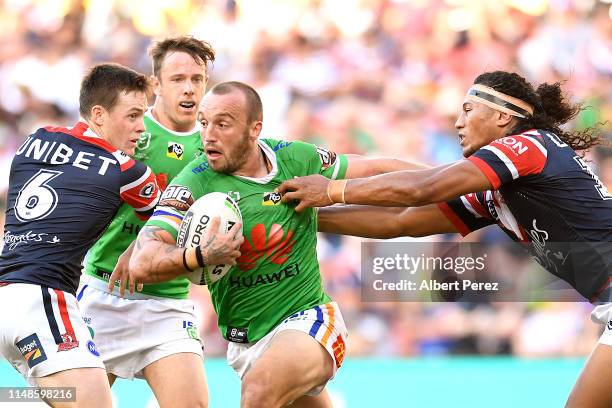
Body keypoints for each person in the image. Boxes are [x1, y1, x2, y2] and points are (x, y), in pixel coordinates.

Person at [278, 70, 612, 408]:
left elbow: (424, 188)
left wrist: (332, 190)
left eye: (468, 110)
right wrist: (305, 218)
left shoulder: (526, 146)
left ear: (501, 116)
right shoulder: (497, 194)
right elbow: (401, 220)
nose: (457, 122)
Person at [126, 81, 427, 408]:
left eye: (222, 124)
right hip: (246, 343)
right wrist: (200, 255)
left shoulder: (295, 159)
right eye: (203, 122)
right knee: (263, 387)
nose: (208, 134)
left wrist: (459, 184)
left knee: (258, 393)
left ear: (254, 129)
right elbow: (142, 262)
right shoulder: (194, 181)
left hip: (310, 320)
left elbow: (379, 168)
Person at [0, 63, 160, 407]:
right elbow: (165, 223)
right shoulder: (128, 169)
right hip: (44, 299)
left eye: (144, 116)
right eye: (132, 116)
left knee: (58, 400)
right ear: (99, 114)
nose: (141, 128)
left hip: (7, 298)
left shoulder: (36, 137)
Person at [77, 36, 222, 408]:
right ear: (156, 84)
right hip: (105, 294)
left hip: (168, 304)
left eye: (197, 78)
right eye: (177, 79)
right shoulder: (127, 129)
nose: (189, 88)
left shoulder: (214, 146)